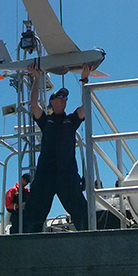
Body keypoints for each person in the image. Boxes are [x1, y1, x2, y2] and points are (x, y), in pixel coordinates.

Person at [23, 63, 91, 233]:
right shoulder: (46, 121)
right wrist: (37, 78)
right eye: (60, 96)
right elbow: (33, 103)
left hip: (67, 173)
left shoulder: (72, 120)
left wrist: (84, 79)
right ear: (52, 102)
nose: (63, 99)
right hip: (45, 173)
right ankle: (28, 244)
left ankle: (89, 238)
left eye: (65, 97)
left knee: (80, 210)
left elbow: (86, 106)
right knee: (34, 212)